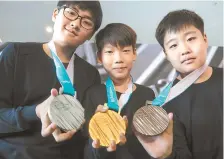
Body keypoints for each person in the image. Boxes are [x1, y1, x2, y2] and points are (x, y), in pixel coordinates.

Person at [0, 1, 103, 159]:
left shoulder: (90, 74)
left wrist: (96, 124)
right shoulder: (15, 53)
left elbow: (83, 136)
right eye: (71, 13)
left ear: (90, 35)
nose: (76, 24)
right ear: (55, 14)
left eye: (87, 22)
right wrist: (35, 112)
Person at [83, 23, 173, 159]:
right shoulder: (92, 94)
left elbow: (152, 139)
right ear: (100, 57)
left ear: (134, 54)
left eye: (125, 51)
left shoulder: (147, 94)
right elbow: (87, 143)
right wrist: (99, 137)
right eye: (109, 52)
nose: (118, 59)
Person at [151, 9, 223, 159]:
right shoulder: (165, 103)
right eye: (173, 45)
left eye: (190, 39)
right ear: (166, 55)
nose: (184, 50)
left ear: (205, 39)